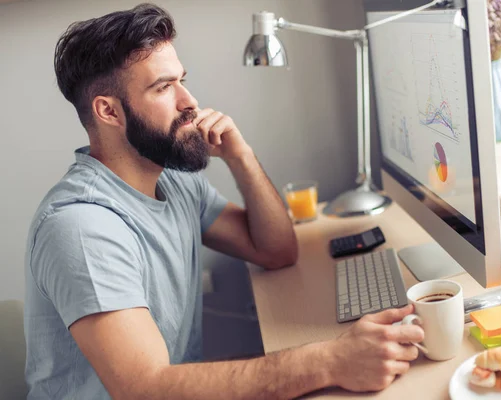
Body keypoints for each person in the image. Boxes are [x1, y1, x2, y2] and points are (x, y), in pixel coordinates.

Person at [23, 3, 425, 399]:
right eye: (163, 87)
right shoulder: (81, 228)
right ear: (108, 111)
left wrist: (241, 156)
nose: (189, 102)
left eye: (182, 80)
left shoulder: (173, 181)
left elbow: (276, 251)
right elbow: (144, 389)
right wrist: (330, 361)